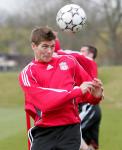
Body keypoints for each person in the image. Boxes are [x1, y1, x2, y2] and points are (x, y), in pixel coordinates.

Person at [19, 26, 103, 150]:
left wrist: (96, 96)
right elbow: (46, 102)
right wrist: (77, 91)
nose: (49, 51)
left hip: (70, 130)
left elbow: (88, 93)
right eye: (45, 46)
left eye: (52, 46)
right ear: (33, 46)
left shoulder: (69, 62)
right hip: (44, 132)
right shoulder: (27, 73)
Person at [79, 45, 102, 150]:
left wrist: (57, 46)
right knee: (90, 144)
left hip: (88, 107)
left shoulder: (89, 62)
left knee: (70, 130)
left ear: (91, 54)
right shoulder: (82, 65)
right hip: (87, 107)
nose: (80, 53)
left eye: (83, 51)